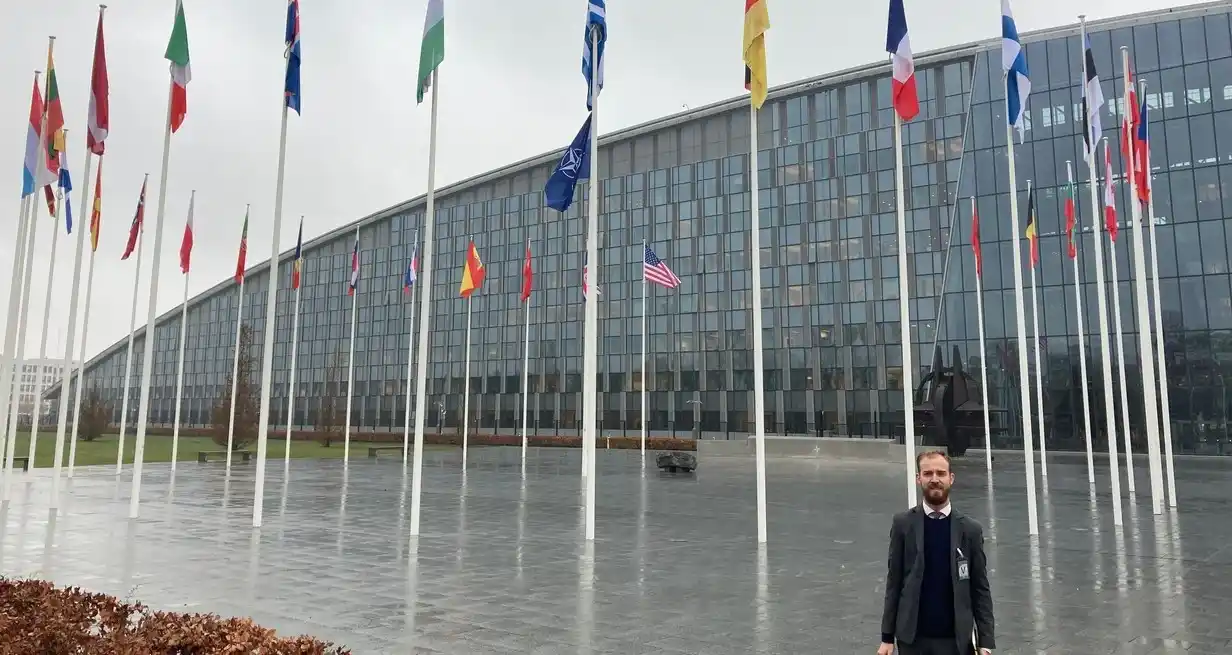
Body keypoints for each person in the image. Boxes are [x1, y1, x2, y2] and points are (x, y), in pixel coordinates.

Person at [877, 450, 995, 655]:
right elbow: (894, 582)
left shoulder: (970, 530)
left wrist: (985, 640)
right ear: (918, 479)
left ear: (951, 478)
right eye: (927, 473)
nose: (934, 479)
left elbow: (980, 588)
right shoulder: (903, 525)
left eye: (940, 473)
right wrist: (887, 637)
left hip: (956, 641)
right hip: (913, 640)